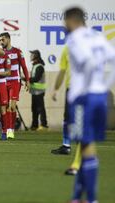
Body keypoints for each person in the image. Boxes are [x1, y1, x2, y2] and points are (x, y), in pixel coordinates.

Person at [64, 7, 115, 202]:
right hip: (99, 97)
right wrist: (103, 85)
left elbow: (87, 61)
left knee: (84, 145)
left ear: (70, 21)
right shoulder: (97, 36)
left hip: (83, 99)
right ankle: (78, 197)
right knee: (87, 146)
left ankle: (91, 199)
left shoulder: (75, 39)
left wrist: (81, 90)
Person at [51, 46, 82, 176]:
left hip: (85, 90)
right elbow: (62, 71)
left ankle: (78, 163)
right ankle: (66, 146)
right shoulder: (67, 49)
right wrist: (56, 89)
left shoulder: (91, 46)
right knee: (68, 118)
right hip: (71, 90)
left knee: (80, 125)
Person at [0, 32, 30, 139]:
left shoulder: (17, 52)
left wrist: (27, 80)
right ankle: (8, 129)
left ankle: (11, 130)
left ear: (8, 39)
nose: (1, 42)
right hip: (4, 82)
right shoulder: (1, 52)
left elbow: (24, 67)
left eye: (3, 40)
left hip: (14, 82)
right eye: (0, 40)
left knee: (12, 106)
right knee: (6, 106)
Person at [29, 50, 48, 131]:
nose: (30, 56)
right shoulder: (35, 65)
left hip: (39, 92)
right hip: (34, 91)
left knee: (40, 108)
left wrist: (27, 79)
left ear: (36, 56)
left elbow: (36, 78)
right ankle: (34, 125)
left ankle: (44, 125)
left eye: (32, 55)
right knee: (34, 109)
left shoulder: (39, 66)